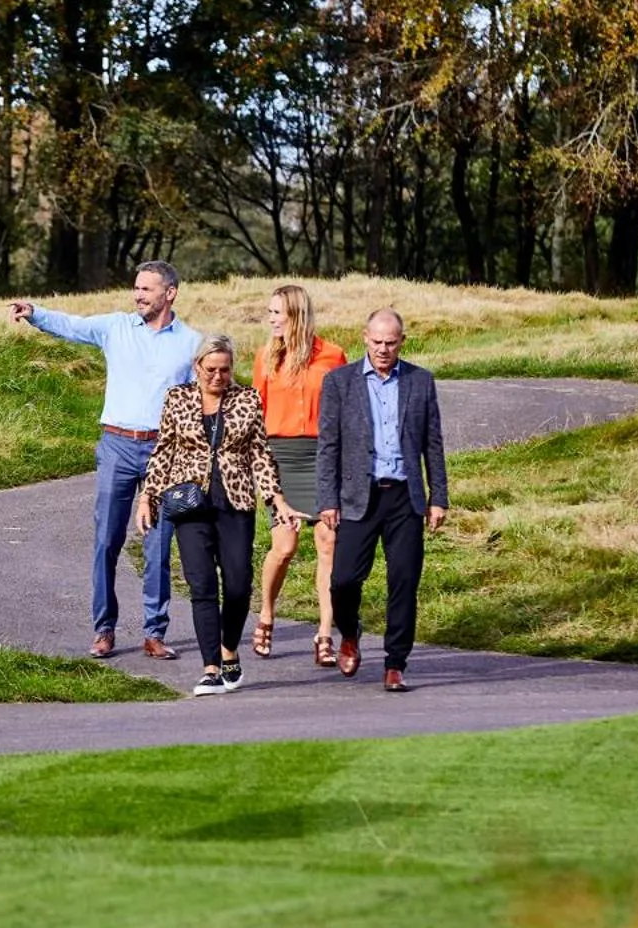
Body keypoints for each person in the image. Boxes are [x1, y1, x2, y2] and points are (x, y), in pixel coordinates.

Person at [9, 262, 203, 659]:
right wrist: (35, 314)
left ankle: (154, 632)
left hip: (164, 452)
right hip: (117, 443)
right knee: (106, 542)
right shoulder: (115, 327)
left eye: (147, 289)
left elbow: (205, 394)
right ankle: (104, 630)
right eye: (136, 288)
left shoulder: (190, 343)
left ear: (170, 293)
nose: (139, 295)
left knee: (158, 545)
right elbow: (74, 326)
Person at [138, 334, 304, 695]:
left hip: (235, 504)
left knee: (239, 585)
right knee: (202, 586)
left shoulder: (246, 399)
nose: (218, 377)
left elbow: (260, 454)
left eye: (225, 370)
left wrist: (276, 498)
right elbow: (164, 449)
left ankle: (230, 650)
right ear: (197, 367)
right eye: (211, 369)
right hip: (189, 505)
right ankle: (211, 667)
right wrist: (147, 496)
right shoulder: (177, 398)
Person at [315, 308, 448, 691]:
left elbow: (432, 443)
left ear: (402, 341)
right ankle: (350, 633)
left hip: (404, 497)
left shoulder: (420, 381)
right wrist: (328, 499)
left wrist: (438, 496)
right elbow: (328, 445)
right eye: (377, 342)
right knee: (342, 580)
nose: (384, 349)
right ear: (364, 338)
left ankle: (395, 662)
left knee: (404, 579)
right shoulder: (340, 382)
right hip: (359, 496)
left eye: (391, 343)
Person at [250, 285, 347, 668]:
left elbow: (344, 410)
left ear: (297, 315)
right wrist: (264, 476)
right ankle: (267, 613)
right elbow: (256, 419)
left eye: (278, 313)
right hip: (282, 458)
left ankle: (325, 633)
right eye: (269, 312)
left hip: (322, 457)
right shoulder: (265, 358)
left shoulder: (333, 355)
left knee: (328, 543)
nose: (272, 318)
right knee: (285, 546)